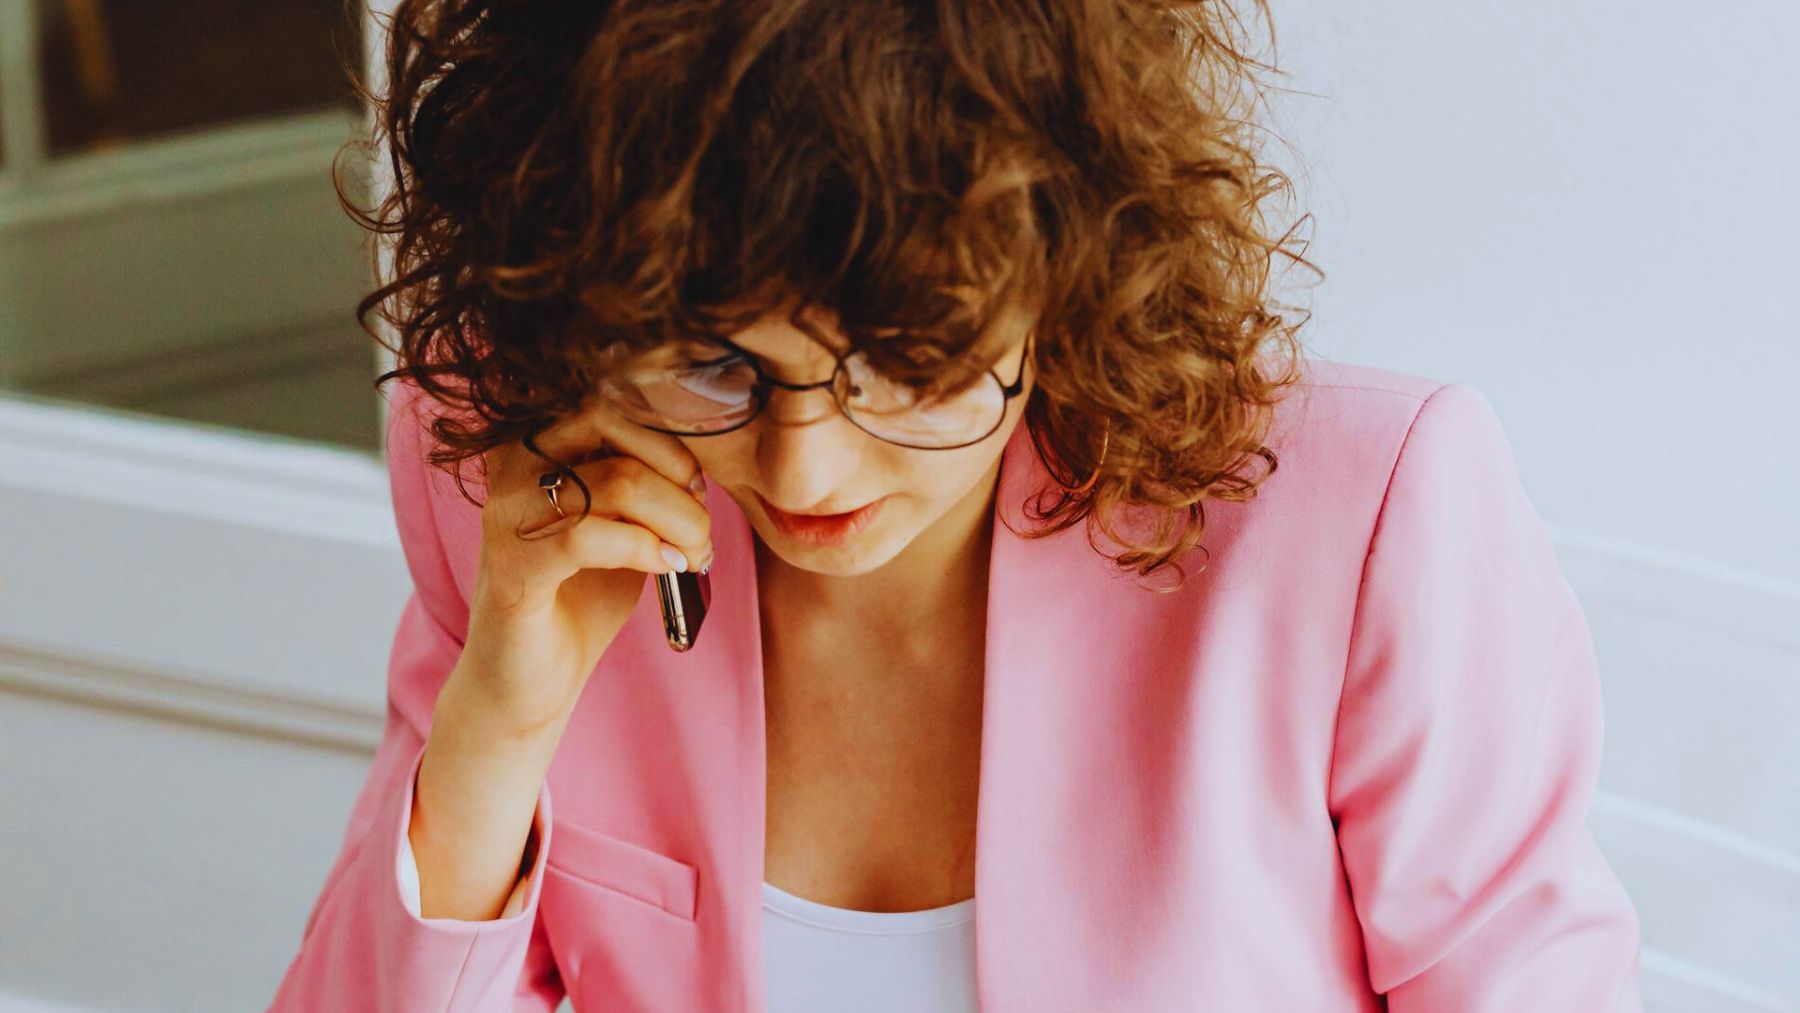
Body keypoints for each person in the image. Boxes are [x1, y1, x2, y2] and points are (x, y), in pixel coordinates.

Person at [269, 0, 1645, 1009]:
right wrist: (499, 727)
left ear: (1071, 251)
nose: (806, 475)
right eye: (715, 362)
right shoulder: (521, 480)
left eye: (911, 364)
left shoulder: (1358, 522)